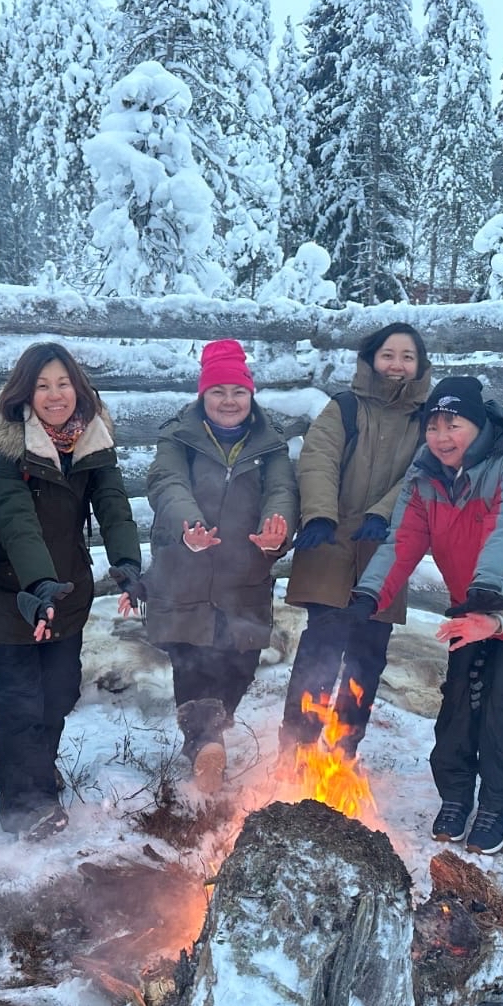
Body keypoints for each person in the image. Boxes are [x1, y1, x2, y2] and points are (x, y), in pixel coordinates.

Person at [353, 377, 503, 855]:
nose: (443, 436)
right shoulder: (425, 477)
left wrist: (490, 589)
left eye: (455, 424)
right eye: (434, 425)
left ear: (481, 424)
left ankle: (495, 804)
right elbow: (403, 540)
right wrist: (369, 594)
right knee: (457, 700)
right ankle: (455, 795)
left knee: (501, 702)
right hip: (469, 610)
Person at [0, 343, 141, 840]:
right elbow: (15, 521)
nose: (55, 395)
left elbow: (112, 502)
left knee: (58, 692)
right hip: (8, 590)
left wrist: (127, 562)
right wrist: (38, 585)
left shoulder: (92, 439)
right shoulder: (8, 445)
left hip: (66, 590)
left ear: (78, 388)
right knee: (20, 700)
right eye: (42, 385)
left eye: (63, 383)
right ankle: (24, 802)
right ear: (25, 393)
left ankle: (39, 770)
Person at [139, 339, 299, 792]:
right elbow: (166, 482)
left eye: (238, 392)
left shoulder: (270, 445)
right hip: (183, 574)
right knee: (190, 662)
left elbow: (282, 491)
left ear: (250, 396)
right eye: (218, 392)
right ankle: (206, 746)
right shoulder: (178, 437)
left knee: (238, 665)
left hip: (242, 578)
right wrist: (188, 523)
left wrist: (278, 529)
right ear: (202, 395)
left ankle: (208, 740)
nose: (228, 401)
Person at [278, 322, 432, 759]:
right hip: (331, 541)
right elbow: (318, 458)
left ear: (419, 365)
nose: (397, 365)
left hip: (389, 545)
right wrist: (322, 515)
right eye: (388, 355)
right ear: (371, 360)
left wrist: (383, 514)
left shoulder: (427, 418)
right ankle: (296, 745)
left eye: (407, 356)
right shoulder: (344, 407)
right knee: (320, 646)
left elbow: (419, 474)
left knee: (368, 652)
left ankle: (345, 747)